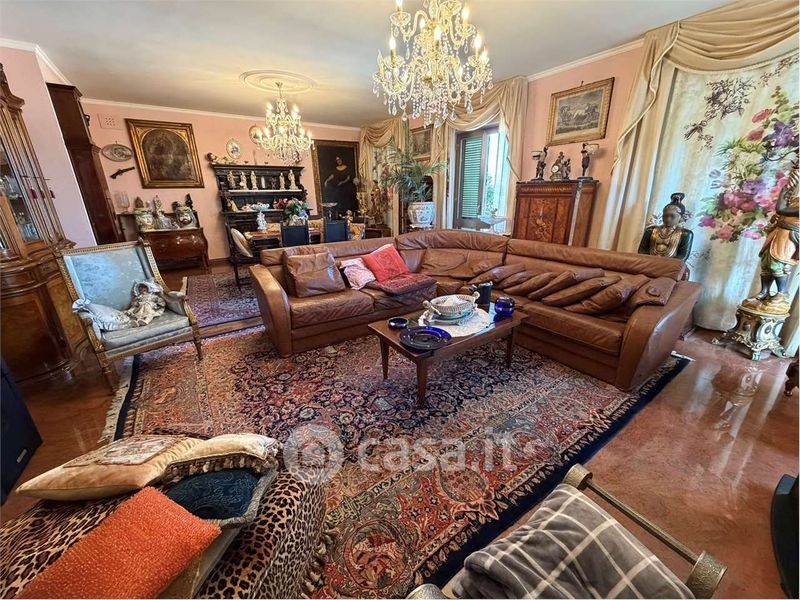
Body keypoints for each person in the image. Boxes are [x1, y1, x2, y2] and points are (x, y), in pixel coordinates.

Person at [745, 162, 799, 313]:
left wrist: (786, 188)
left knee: (777, 264)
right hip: (778, 232)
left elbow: (781, 209)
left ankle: (781, 293)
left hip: (789, 236)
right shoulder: (796, 199)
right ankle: (764, 292)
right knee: (766, 263)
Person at [638, 193, 694, 262]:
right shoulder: (650, 230)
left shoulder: (685, 234)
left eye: (672, 216)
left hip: (670, 265)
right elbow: (642, 251)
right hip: (649, 263)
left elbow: (682, 257)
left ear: (681, 218)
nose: (668, 219)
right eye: (665, 216)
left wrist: (664, 263)